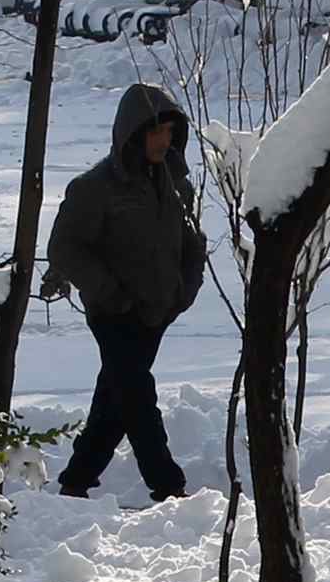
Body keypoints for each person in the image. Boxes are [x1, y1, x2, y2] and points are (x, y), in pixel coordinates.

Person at [45, 82, 208, 500]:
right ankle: (168, 487)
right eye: (156, 132)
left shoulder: (174, 183)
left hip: (158, 312)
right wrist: (111, 294)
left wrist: (184, 290)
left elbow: (193, 241)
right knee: (137, 397)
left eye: (170, 133)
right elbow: (64, 249)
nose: (164, 141)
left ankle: (76, 482)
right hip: (113, 313)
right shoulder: (95, 187)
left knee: (116, 398)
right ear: (133, 133)